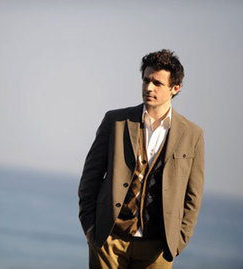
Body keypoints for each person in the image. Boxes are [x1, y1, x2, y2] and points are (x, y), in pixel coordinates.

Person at [78, 49, 204, 269]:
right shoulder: (115, 121)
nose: (148, 88)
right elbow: (91, 176)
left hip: (157, 248)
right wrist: (90, 227)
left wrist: (178, 242)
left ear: (175, 88)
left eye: (157, 83)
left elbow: (193, 195)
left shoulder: (192, 134)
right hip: (109, 240)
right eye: (146, 80)